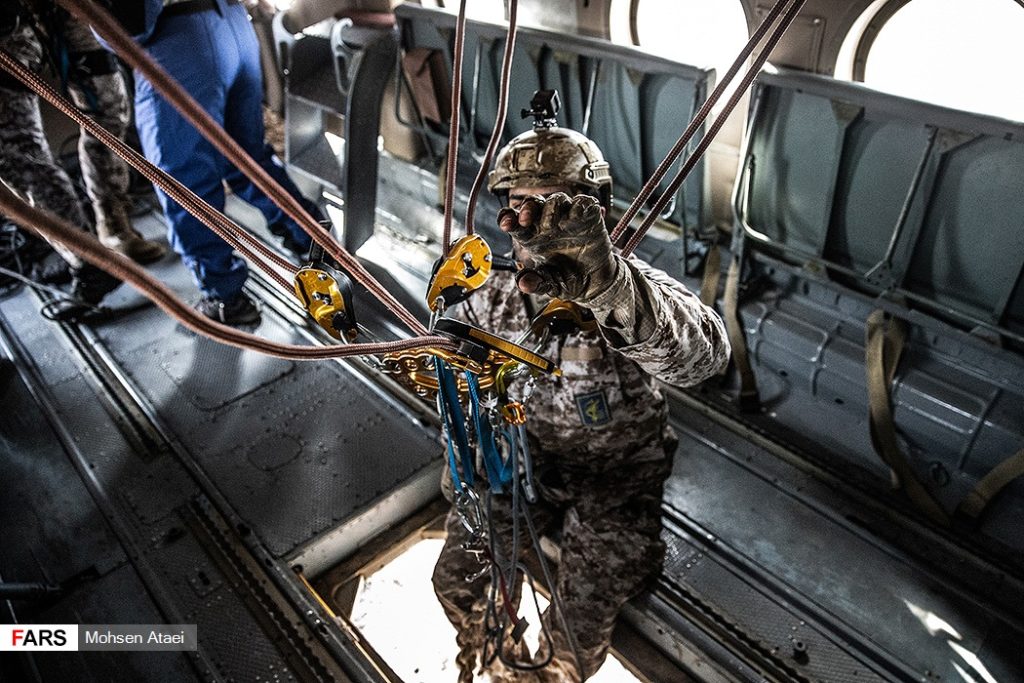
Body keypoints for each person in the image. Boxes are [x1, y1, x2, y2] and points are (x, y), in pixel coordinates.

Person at [431, 111, 731, 682]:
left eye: (558, 207)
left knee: (575, 632)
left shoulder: (630, 288)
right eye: (523, 205)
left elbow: (705, 357)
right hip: (525, 467)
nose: (536, 222)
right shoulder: (484, 293)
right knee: (456, 582)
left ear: (592, 209)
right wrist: (465, 463)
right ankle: (490, 662)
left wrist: (606, 285)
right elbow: (461, 389)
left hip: (616, 480)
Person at [127, 0, 323, 326]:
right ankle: (316, 243)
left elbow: (134, 19)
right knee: (247, 158)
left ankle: (224, 296)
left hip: (177, 41)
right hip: (234, 27)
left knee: (185, 179)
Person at [0, 2, 122, 321]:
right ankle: (84, 249)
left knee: (18, 157)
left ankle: (92, 258)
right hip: (27, 26)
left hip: (17, 30)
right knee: (22, 155)